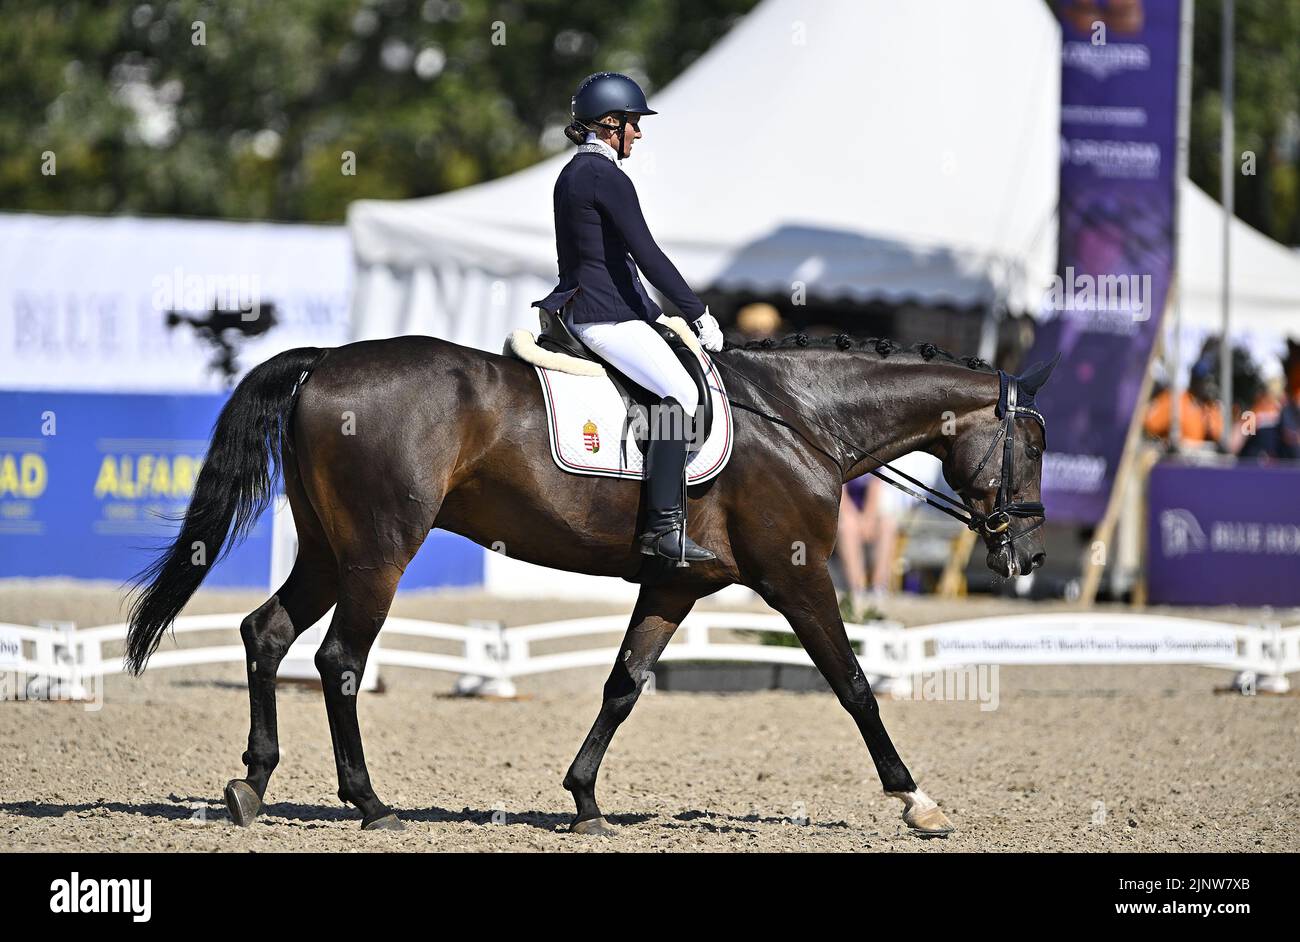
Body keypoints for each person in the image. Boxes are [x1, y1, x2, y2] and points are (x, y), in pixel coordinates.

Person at [532, 72, 725, 563]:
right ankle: (663, 530)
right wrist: (698, 312)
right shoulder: (604, 175)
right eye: (633, 124)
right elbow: (647, 253)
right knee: (679, 394)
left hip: (589, 308)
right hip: (605, 316)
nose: (638, 133)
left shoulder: (573, 172)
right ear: (610, 123)